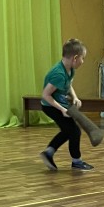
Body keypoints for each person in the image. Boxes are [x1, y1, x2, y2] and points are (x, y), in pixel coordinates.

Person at [39, 38, 93, 172]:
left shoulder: (70, 70)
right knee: (74, 131)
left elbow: (68, 85)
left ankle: (48, 153)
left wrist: (75, 97)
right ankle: (77, 161)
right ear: (75, 58)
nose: (83, 61)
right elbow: (45, 95)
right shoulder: (58, 74)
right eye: (83, 58)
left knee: (68, 131)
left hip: (59, 104)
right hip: (50, 106)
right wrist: (62, 109)